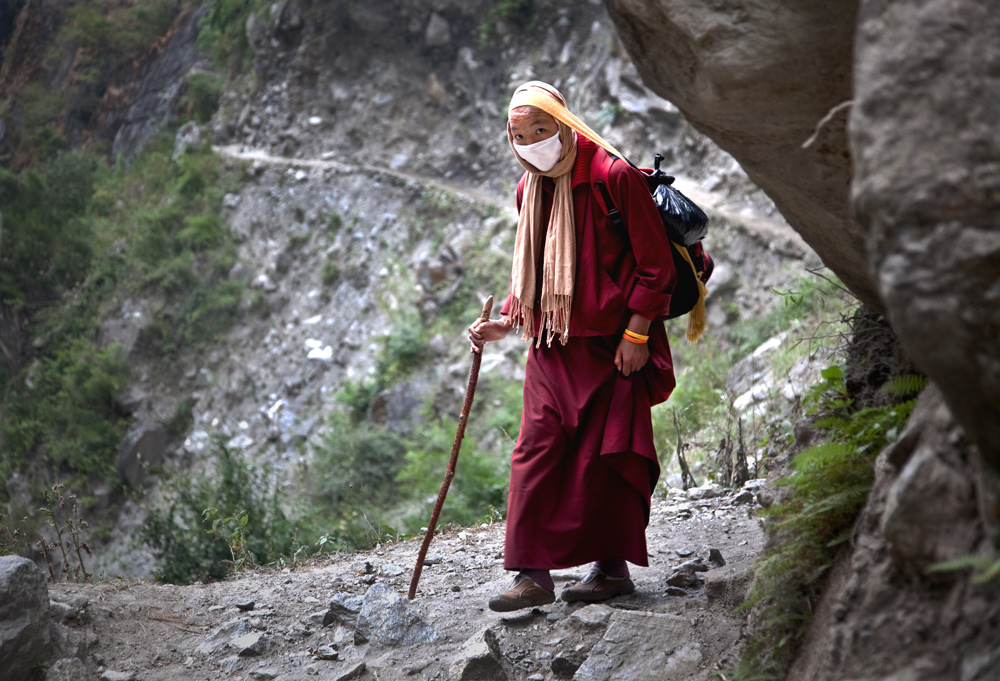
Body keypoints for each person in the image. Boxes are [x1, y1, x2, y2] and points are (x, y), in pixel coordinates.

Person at [469, 81, 679, 611]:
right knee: (535, 450)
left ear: (564, 123)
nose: (532, 141)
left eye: (540, 129)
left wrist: (636, 334)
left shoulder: (613, 176)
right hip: (551, 344)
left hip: (613, 347)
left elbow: (657, 267)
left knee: (603, 455)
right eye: (520, 134)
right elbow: (536, 273)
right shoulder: (529, 188)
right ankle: (533, 575)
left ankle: (611, 571)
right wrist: (505, 322)